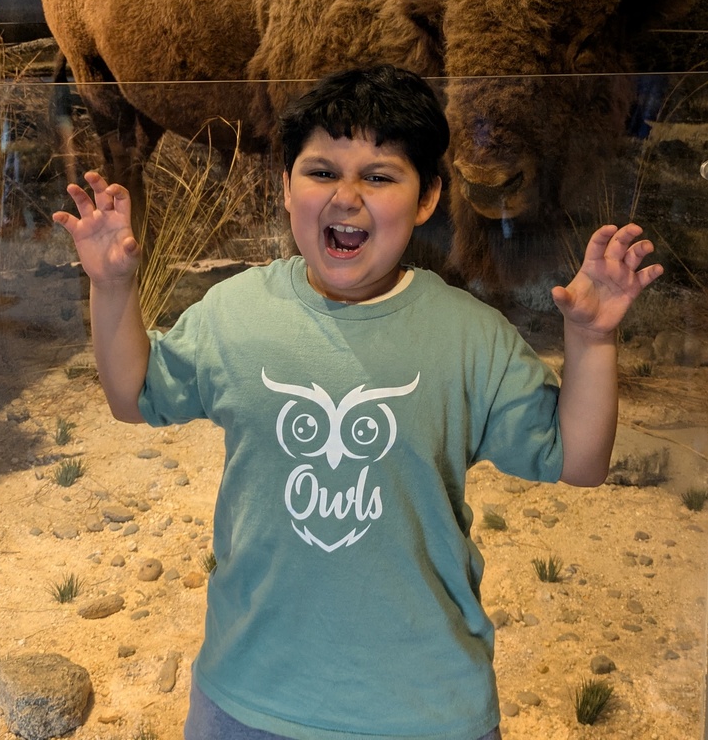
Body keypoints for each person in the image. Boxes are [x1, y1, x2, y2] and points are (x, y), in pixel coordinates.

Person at [53, 64, 663, 740]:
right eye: (320, 172)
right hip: (248, 695)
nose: (345, 197)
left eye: (378, 176)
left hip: (427, 710)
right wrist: (111, 288)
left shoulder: (469, 336)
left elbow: (578, 460)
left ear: (427, 198)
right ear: (285, 186)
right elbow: (133, 395)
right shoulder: (235, 312)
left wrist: (591, 341)